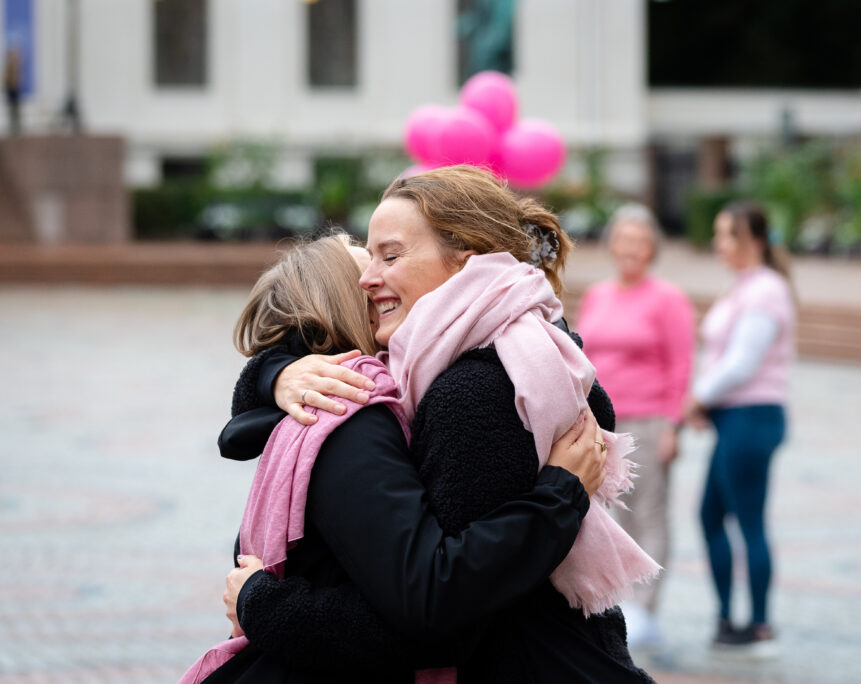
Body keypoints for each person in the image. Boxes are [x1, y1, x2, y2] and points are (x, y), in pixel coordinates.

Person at [222, 166, 657, 682]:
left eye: (390, 255)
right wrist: (275, 373)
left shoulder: (474, 391)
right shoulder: (522, 347)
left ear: (464, 262)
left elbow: (439, 609)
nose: (368, 279)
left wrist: (263, 605)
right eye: (365, 264)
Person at [574, 203, 695, 647]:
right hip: (604, 420)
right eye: (623, 240)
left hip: (648, 420)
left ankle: (645, 607)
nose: (630, 250)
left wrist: (673, 425)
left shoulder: (668, 299)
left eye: (640, 242)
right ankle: (617, 599)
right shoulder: (598, 295)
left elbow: (681, 364)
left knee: (648, 512)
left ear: (653, 249)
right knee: (609, 515)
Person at [687, 200, 795, 657]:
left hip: (753, 416)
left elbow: (742, 363)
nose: (717, 244)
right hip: (734, 417)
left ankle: (760, 623)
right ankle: (728, 619)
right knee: (711, 515)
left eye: (725, 234)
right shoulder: (743, 287)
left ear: (750, 240)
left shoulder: (766, 290)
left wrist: (697, 396)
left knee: (748, 519)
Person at [4, 48, 22, 136]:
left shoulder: (14, 65)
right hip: (11, 91)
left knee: (15, 111)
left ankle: (16, 129)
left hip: (13, 91)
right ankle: (14, 129)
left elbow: (13, 80)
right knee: (13, 111)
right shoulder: (10, 66)